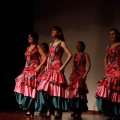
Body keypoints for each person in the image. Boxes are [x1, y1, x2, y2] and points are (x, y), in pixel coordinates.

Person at [36, 26, 73, 119]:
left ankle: (58, 110)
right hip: (50, 69)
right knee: (45, 89)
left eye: (54, 31)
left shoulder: (62, 43)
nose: (52, 32)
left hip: (57, 67)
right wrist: (47, 65)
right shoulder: (51, 43)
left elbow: (70, 55)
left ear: (59, 33)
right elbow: (49, 56)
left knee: (56, 89)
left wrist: (63, 66)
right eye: (51, 31)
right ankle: (49, 109)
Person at [14, 32, 47, 116]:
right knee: (20, 82)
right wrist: (24, 69)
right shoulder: (28, 47)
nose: (29, 39)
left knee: (31, 88)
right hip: (27, 69)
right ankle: (27, 106)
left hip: (34, 69)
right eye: (28, 37)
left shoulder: (37, 47)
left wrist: (39, 67)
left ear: (35, 39)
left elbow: (45, 57)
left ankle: (30, 108)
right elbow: (27, 59)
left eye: (31, 38)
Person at [95, 28, 120, 120]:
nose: (111, 36)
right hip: (109, 71)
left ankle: (117, 113)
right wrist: (106, 66)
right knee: (106, 90)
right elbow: (105, 57)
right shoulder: (108, 46)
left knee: (116, 92)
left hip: (118, 70)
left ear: (117, 35)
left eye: (113, 34)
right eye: (110, 35)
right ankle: (110, 112)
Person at [68, 41, 91, 119]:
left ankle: (79, 110)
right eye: (76, 46)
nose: (77, 47)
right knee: (73, 92)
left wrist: (85, 74)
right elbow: (72, 66)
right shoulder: (74, 55)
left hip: (81, 74)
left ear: (83, 47)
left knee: (79, 91)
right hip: (74, 75)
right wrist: (70, 74)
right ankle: (75, 110)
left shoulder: (85, 55)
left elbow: (89, 65)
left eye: (79, 46)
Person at [35, 42, 49, 116]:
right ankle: (42, 108)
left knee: (44, 92)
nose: (42, 49)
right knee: (39, 92)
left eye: (43, 47)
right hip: (40, 75)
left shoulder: (48, 56)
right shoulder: (40, 57)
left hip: (46, 74)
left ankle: (46, 107)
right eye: (41, 47)